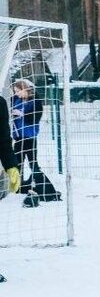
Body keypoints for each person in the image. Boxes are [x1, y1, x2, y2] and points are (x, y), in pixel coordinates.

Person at [10, 78, 60, 206]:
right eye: (15, 91)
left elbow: (35, 118)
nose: (16, 93)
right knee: (17, 164)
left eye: (18, 91)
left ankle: (47, 190)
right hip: (18, 138)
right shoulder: (15, 100)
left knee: (33, 164)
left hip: (30, 138)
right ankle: (17, 188)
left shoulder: (35, 102)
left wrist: (22, 114)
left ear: (25, 89)